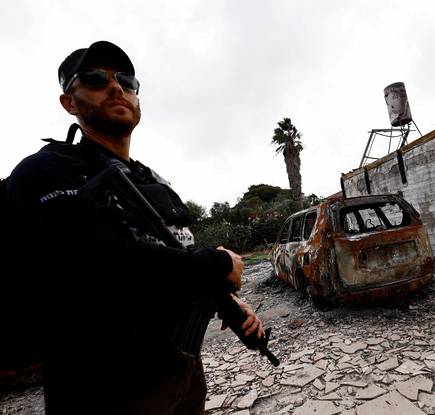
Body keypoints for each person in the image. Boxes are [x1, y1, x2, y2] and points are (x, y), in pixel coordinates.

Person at [5, 40, 264, 414]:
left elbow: (173, 259)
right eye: (94, 79)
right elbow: (97, 262)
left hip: (183, 375)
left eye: (126, 80)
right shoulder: (44, 171)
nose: (115, 87)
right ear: (69, 102)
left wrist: (226, 301)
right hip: (107, 391)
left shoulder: (149, 180)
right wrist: (218, 264)